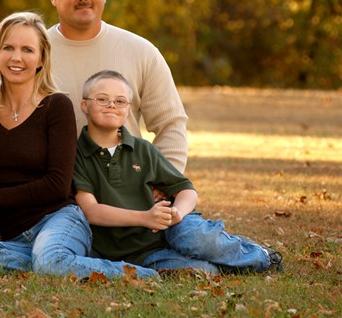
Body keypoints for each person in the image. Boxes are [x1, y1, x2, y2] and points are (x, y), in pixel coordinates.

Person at [0, 12, 159, 279]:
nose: (17, 57)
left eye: (27, 50)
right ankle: (56, 261)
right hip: (15, 233)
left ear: (41, 59)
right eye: (8, 48)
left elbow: (58, 184)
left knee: (49, 261)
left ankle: (137, 274)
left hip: (59, 219)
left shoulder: (56, 106)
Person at [73, 70, 284, 274]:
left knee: (196, 239)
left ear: (128, 108)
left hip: (174, 226)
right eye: (102, 99)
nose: (111, 105)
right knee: (204, 271)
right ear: (84, 105)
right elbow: (91, 210)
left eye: (120, 101)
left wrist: (177, 213)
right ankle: (225, 250)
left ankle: (263, 256)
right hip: (138, 253)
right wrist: (145, 218)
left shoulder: (143, 150)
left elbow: (186, 190)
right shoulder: (76, 154)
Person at [48, 0, 188, 173]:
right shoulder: (33, 53)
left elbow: (171, 124)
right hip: (53, 189)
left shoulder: (141, 51)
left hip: (126, 187)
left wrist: (164, 181)